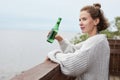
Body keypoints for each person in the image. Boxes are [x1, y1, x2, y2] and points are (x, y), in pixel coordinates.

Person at [46, 3, 110, 80]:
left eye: (84, 19)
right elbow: (74, 51)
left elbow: (73, 65)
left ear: (96, 21)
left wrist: (54, 54)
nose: (80, 23)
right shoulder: (97, 40)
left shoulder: (96, 42)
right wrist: (60, 39)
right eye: (79, 20)